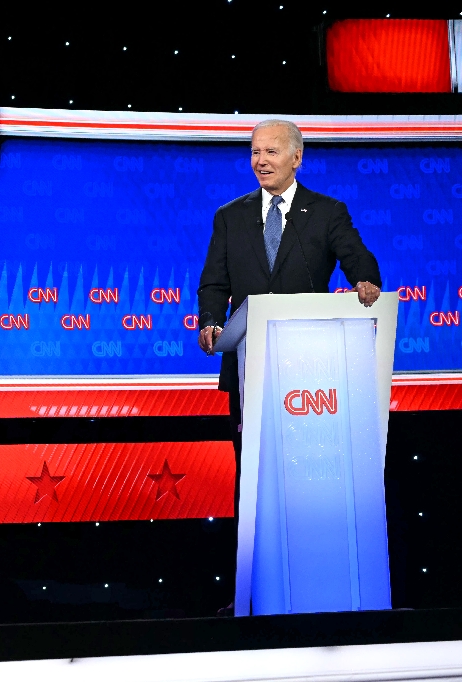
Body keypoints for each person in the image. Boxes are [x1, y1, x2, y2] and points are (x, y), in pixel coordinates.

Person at [196, 119, 381, 609]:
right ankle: (253, 592)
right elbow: (214, 283)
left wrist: (365, 281)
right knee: (252, 480)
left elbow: (358, 259)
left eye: (271, 152)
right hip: (250, 368)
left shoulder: (325, 212)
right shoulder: (230, 217)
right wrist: (211, 321)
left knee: (306, 477)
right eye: (254, 151)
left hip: (310, 371)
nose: (261, 160)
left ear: (297, 158)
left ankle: (316, 583)